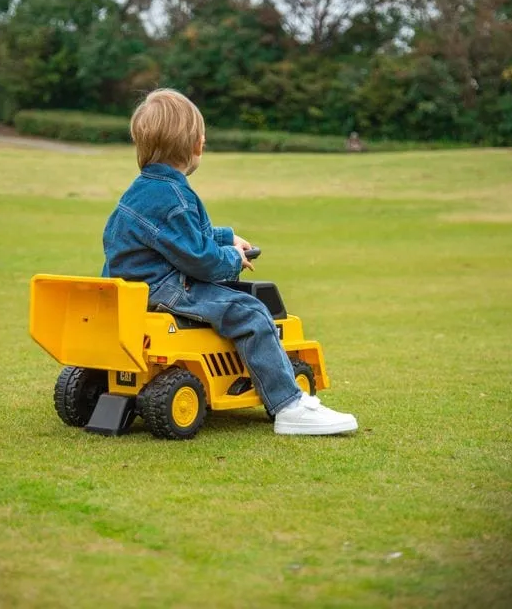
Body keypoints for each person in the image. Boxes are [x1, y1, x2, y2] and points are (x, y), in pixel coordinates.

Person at [101, 88, 358, 435]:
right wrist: (231, 259)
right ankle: (288, 405)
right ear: (197, 145)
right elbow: (200, 261)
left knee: (232, 302)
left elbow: (178, 236)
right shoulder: (176, 198)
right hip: (163, 289)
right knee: (250, 311)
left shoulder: (142, 190)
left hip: (130, 289)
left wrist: (226, 238)